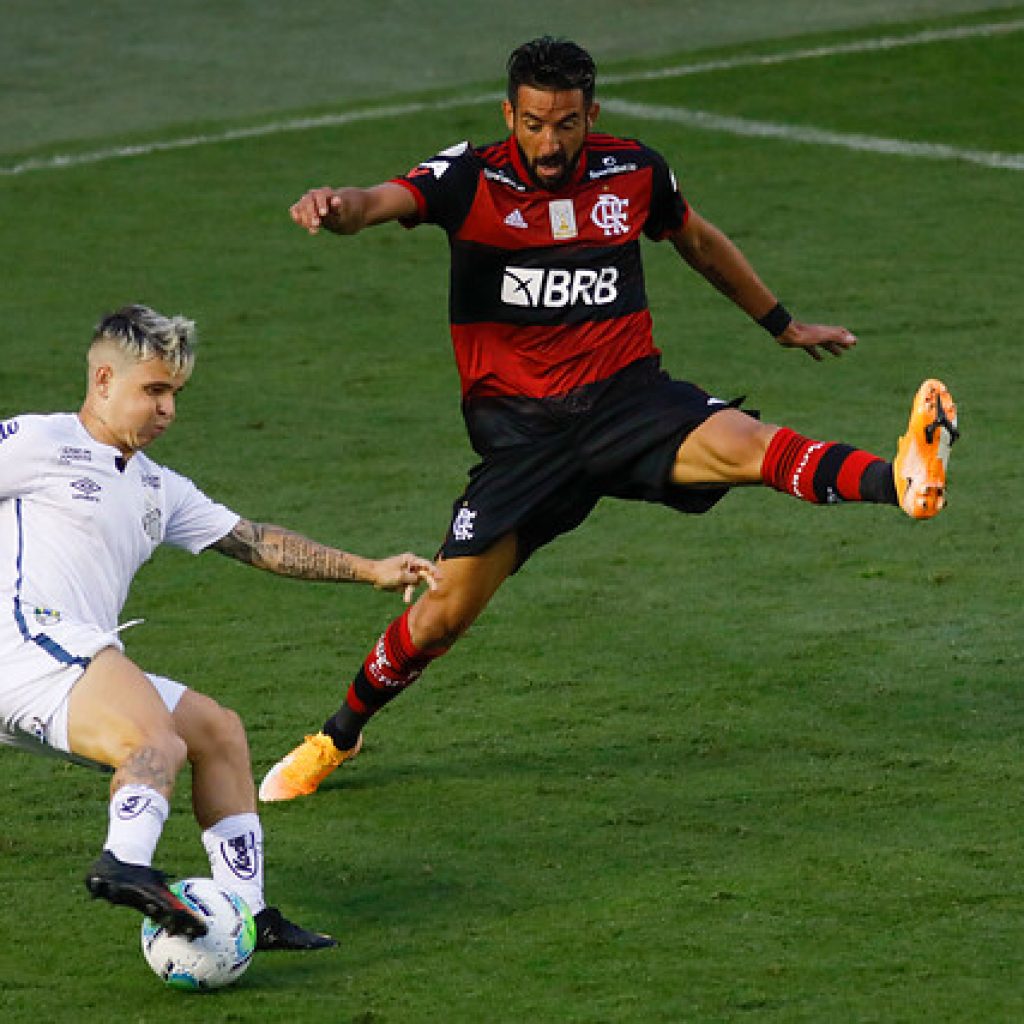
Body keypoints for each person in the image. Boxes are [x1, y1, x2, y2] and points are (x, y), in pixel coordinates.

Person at [259, 36, 959, 803]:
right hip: (524, 439)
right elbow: (380, 201)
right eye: (532, 123)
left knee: (749, 447)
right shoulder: (470, 178)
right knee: (437, 621)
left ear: (591, 113)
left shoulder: (634, 171)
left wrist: (781, 323)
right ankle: (338, 735)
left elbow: (694, 239)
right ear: (509, 114)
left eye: (565, 124)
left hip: (627, 400)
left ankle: (902, 478)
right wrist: (337, 208)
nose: (549, 143)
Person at [0, 304, 438, 946]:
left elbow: (255, 542)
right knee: (157, 740)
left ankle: (248, 913)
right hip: (25, 647)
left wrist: (370, 569)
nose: (168, 409)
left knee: (216, 733)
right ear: (102, 381)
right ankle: (125, 861)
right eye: (153, 390)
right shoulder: (39, 443)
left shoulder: (155, 487)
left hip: (65, 662)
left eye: (174, 394)